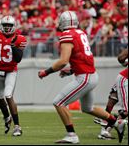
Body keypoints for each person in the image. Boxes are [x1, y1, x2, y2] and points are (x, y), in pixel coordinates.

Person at [37, 11, 126, 144]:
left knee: (59, 102)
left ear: (63, 22)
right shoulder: (80, 33)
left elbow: (62, 61)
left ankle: (71, 135)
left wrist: (46, 72)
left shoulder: (67, 35)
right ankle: (116, 122)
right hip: (91, 75)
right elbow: (82, 57)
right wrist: (72, 70)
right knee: (87, 108)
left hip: (85, 77)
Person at [95, 47, 128, 140]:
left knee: (113, 99)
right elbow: (121, 58)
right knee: (125, 110)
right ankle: (106, 130)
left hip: (123, 78)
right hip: (125, 79)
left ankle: (105, 127)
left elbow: (121, 58)